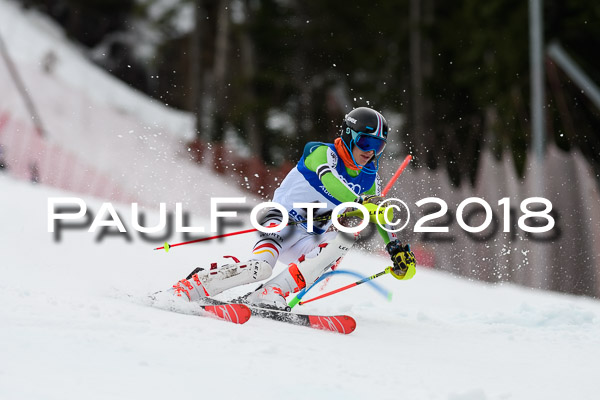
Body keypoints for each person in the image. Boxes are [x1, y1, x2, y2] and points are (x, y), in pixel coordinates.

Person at [167, 107, 416, 310]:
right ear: (350, 135)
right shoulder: (320, 153)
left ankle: (270, 293)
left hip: (312, 236)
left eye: (379, 146)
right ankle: (195, 285)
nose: (370, 152)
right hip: (282, 222)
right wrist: (360, 203)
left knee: (343, 240)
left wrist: (395, 248)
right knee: (260, 268)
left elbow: (379, 212)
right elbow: (330, 180)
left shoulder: (369, 177)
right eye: (365, 142)